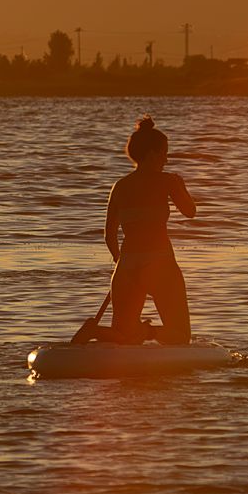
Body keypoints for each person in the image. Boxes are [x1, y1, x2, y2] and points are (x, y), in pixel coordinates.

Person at [74, 115, 196, 345]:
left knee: (123, 339)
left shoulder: (120, 186)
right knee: (180, 336)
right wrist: (181, 186)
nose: (166, 160)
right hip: (160, 264)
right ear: (151, 154)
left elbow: (109, 234)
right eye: (164, 153)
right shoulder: (168, 181)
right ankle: (147, 333)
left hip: (127, 267)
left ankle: (94, 331)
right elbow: (190, 211)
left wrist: (122, 262)